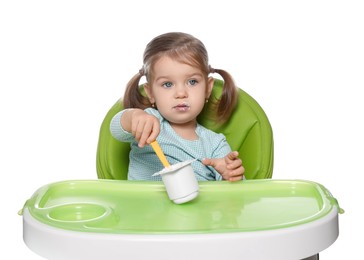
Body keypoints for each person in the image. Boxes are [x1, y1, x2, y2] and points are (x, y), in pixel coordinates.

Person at [110, 32, 244, 182]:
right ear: (151, 93)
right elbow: (117, 129)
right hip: (142, 205)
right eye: (167, 84)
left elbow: (235, 197)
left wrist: (231, 175)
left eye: (192, 82)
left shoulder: (215, 144)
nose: (181, 93)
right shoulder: (149, 123)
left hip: (199, 206)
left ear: (208, 88)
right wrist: (133, 117)